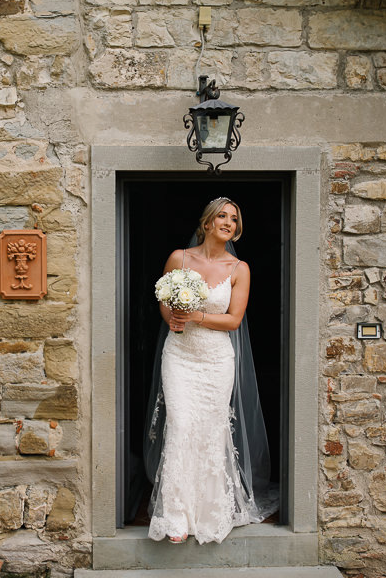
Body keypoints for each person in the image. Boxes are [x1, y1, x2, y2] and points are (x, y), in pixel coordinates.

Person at [146, 197, 274, 545]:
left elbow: (233, 320)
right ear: (206, 223)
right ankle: (176, 516)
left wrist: (196, 317)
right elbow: (163, 300)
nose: (228, 222)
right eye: (222, 216)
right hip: (180, 356)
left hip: (216, 361)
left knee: (211, 430)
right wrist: (171, 317)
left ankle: (209, 512)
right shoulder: (179, 258)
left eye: (234, 218)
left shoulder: (239, 269)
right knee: (182, 425)